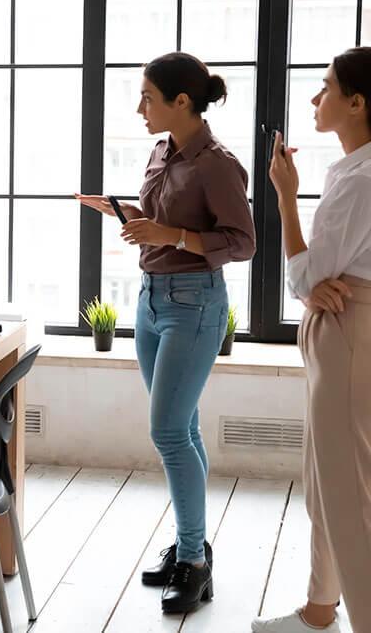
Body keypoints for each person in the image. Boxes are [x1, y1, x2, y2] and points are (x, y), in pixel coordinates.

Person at [252, 47, 371, 633]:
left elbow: (306, 277)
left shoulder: (365, 180)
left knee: (351, 508)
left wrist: (284, 195)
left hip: (349, 339)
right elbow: (314, 280)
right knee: (325, 492)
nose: (314, 98)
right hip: (339, 335)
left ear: (356, 103)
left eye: (325, 87)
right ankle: (319, 610)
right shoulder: (363, 170)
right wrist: (313, 288)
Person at [77, 52, 255, 614]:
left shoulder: (218, 164)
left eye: (148, 97)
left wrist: (169, 233)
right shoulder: (162, 151)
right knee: (185, 429)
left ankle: (195, 566)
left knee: (169, 434)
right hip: (151, 301)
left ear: (183, 102)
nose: (139, 108)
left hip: (195, 305)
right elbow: (161, 225)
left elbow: (242, 243)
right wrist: (125, 213)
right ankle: (190, 544)